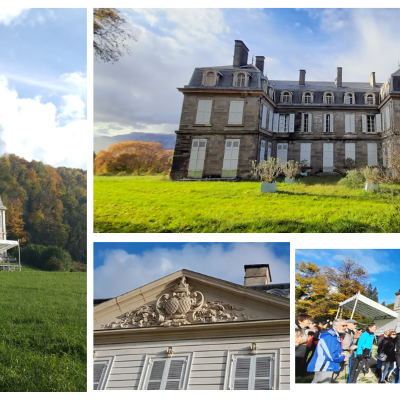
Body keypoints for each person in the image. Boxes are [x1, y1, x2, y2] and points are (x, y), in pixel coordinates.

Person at [307, 319, 348, 383]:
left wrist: (341, 352)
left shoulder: (335, 336)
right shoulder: (329, 337)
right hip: (325, 365)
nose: (345, 327)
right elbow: (331, 355)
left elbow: (335, 349)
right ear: (335, 326)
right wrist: (342, 357)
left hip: (329, 365)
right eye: (343, 325)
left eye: (346, 325)